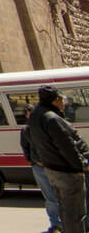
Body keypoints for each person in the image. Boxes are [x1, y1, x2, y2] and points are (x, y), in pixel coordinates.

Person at [27, 85, 89, 233]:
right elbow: (66, 146)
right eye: (62, 99)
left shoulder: (35, 115)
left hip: (52, 169)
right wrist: (79, 167)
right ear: (55, 100)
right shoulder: (51, 118)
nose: (64, 103)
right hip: (66, 171)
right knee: (75, 211)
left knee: (65, 208)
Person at [20, 108, 62, 233]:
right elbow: (25, 146)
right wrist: (32, 161)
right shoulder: (26, 130)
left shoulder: (49, 126)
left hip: (55, 167)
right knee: (50, 198)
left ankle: (68, 223)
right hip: (39, 167)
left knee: (63, 196)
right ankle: (56, 225)